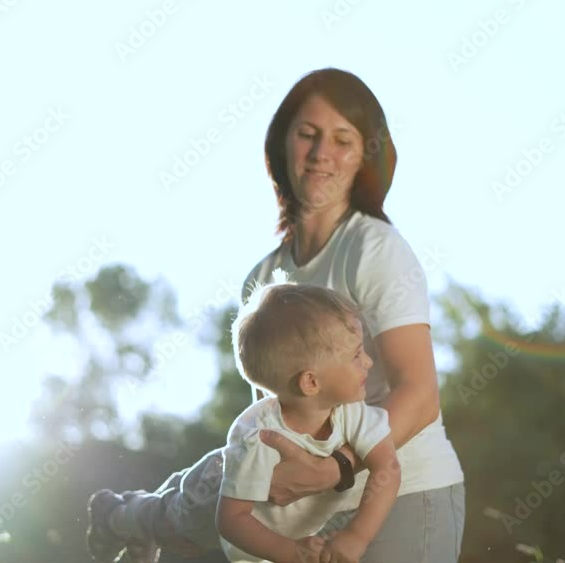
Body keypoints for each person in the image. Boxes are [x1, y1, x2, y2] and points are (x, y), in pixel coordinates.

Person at [87, 67, 465, 563]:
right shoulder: (264, 279)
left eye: (342, 140)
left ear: (365, 158)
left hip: (405, 489)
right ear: (282, 144)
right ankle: (129, 518)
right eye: (307, 134)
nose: (321, 153)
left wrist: (335, 468)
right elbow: (270, 421)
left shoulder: (374, 248)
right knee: (218, 482)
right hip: (310, 508)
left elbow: (420, 393)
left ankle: (131, 517)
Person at [217, 281, 400, 563]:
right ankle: (142, 516)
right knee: (182, 511)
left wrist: (357, 536)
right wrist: (291, 553)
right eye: (356, 355)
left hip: (308, 535)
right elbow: (231, 520)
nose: (368, 362)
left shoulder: (349, 411)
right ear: (311, 382)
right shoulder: (258, 436)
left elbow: (387, 467)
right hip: (254, 554)